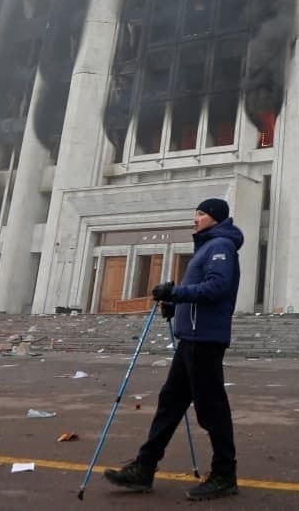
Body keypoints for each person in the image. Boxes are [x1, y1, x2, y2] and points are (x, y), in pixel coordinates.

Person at [104, 198, 244, 501]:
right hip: (190, 339)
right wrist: (173, 304)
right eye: (195, 214)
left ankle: (224, 474)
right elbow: (201, 291)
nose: (194, 220)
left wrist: (176, 293)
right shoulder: (208, 246)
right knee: (169, 403)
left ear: (216, 218)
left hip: (205, 339)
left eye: (201, 214)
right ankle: (144, 467)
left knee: (211, 407)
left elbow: (217, 287)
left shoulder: (221, 246)